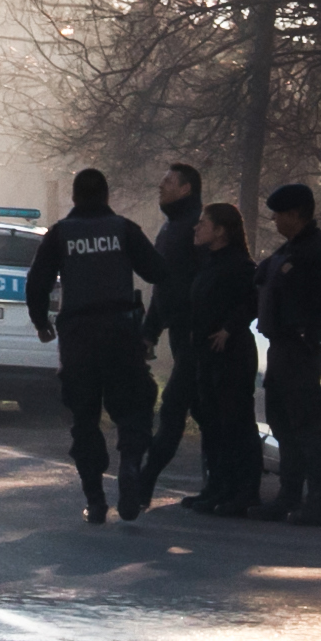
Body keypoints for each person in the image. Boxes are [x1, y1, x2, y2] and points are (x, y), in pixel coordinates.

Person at [27, 167, 166, 523]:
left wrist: (42, 323)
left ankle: (96, 499)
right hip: (121, 334)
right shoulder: (124, 230)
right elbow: (158, 272)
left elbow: (37, 281)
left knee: (84, 419)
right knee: (133, 409)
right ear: (106, 196)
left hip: (79, 339)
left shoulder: (60, 234)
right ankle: (131, 467)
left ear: (74, 197)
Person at [253, 181, 321, 523]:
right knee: (283, 423)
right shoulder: (289, 249)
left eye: (279, 214)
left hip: (301, 348)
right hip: (281, 346)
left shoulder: (317, 252)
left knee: (307, 426)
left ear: (295, 214)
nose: (275, 220)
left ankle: (318, 500)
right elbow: (264, 277)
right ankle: (288, 495)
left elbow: (312, 302)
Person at [178, 202, 262, 515]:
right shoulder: (209, 263)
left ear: (221, 230)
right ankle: (216, 487)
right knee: (212, 423)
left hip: (231, 357)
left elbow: (250, 301)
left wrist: (229, 328)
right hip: (206, 356)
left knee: (235, 424)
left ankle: (243, 492)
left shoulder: (239, 265)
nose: (196, 228)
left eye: (203, 223)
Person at [137, 163, 206, 505]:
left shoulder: (196, 229)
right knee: (204, 412)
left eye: (168, 182)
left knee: (175, 405)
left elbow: (199, 286)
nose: (160, 186)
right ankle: (219, 487)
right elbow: (162, 288)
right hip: (182, 334)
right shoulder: (172, 228)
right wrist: (150, 333)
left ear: (186, 189)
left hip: (198, 336)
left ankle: (145, 478)